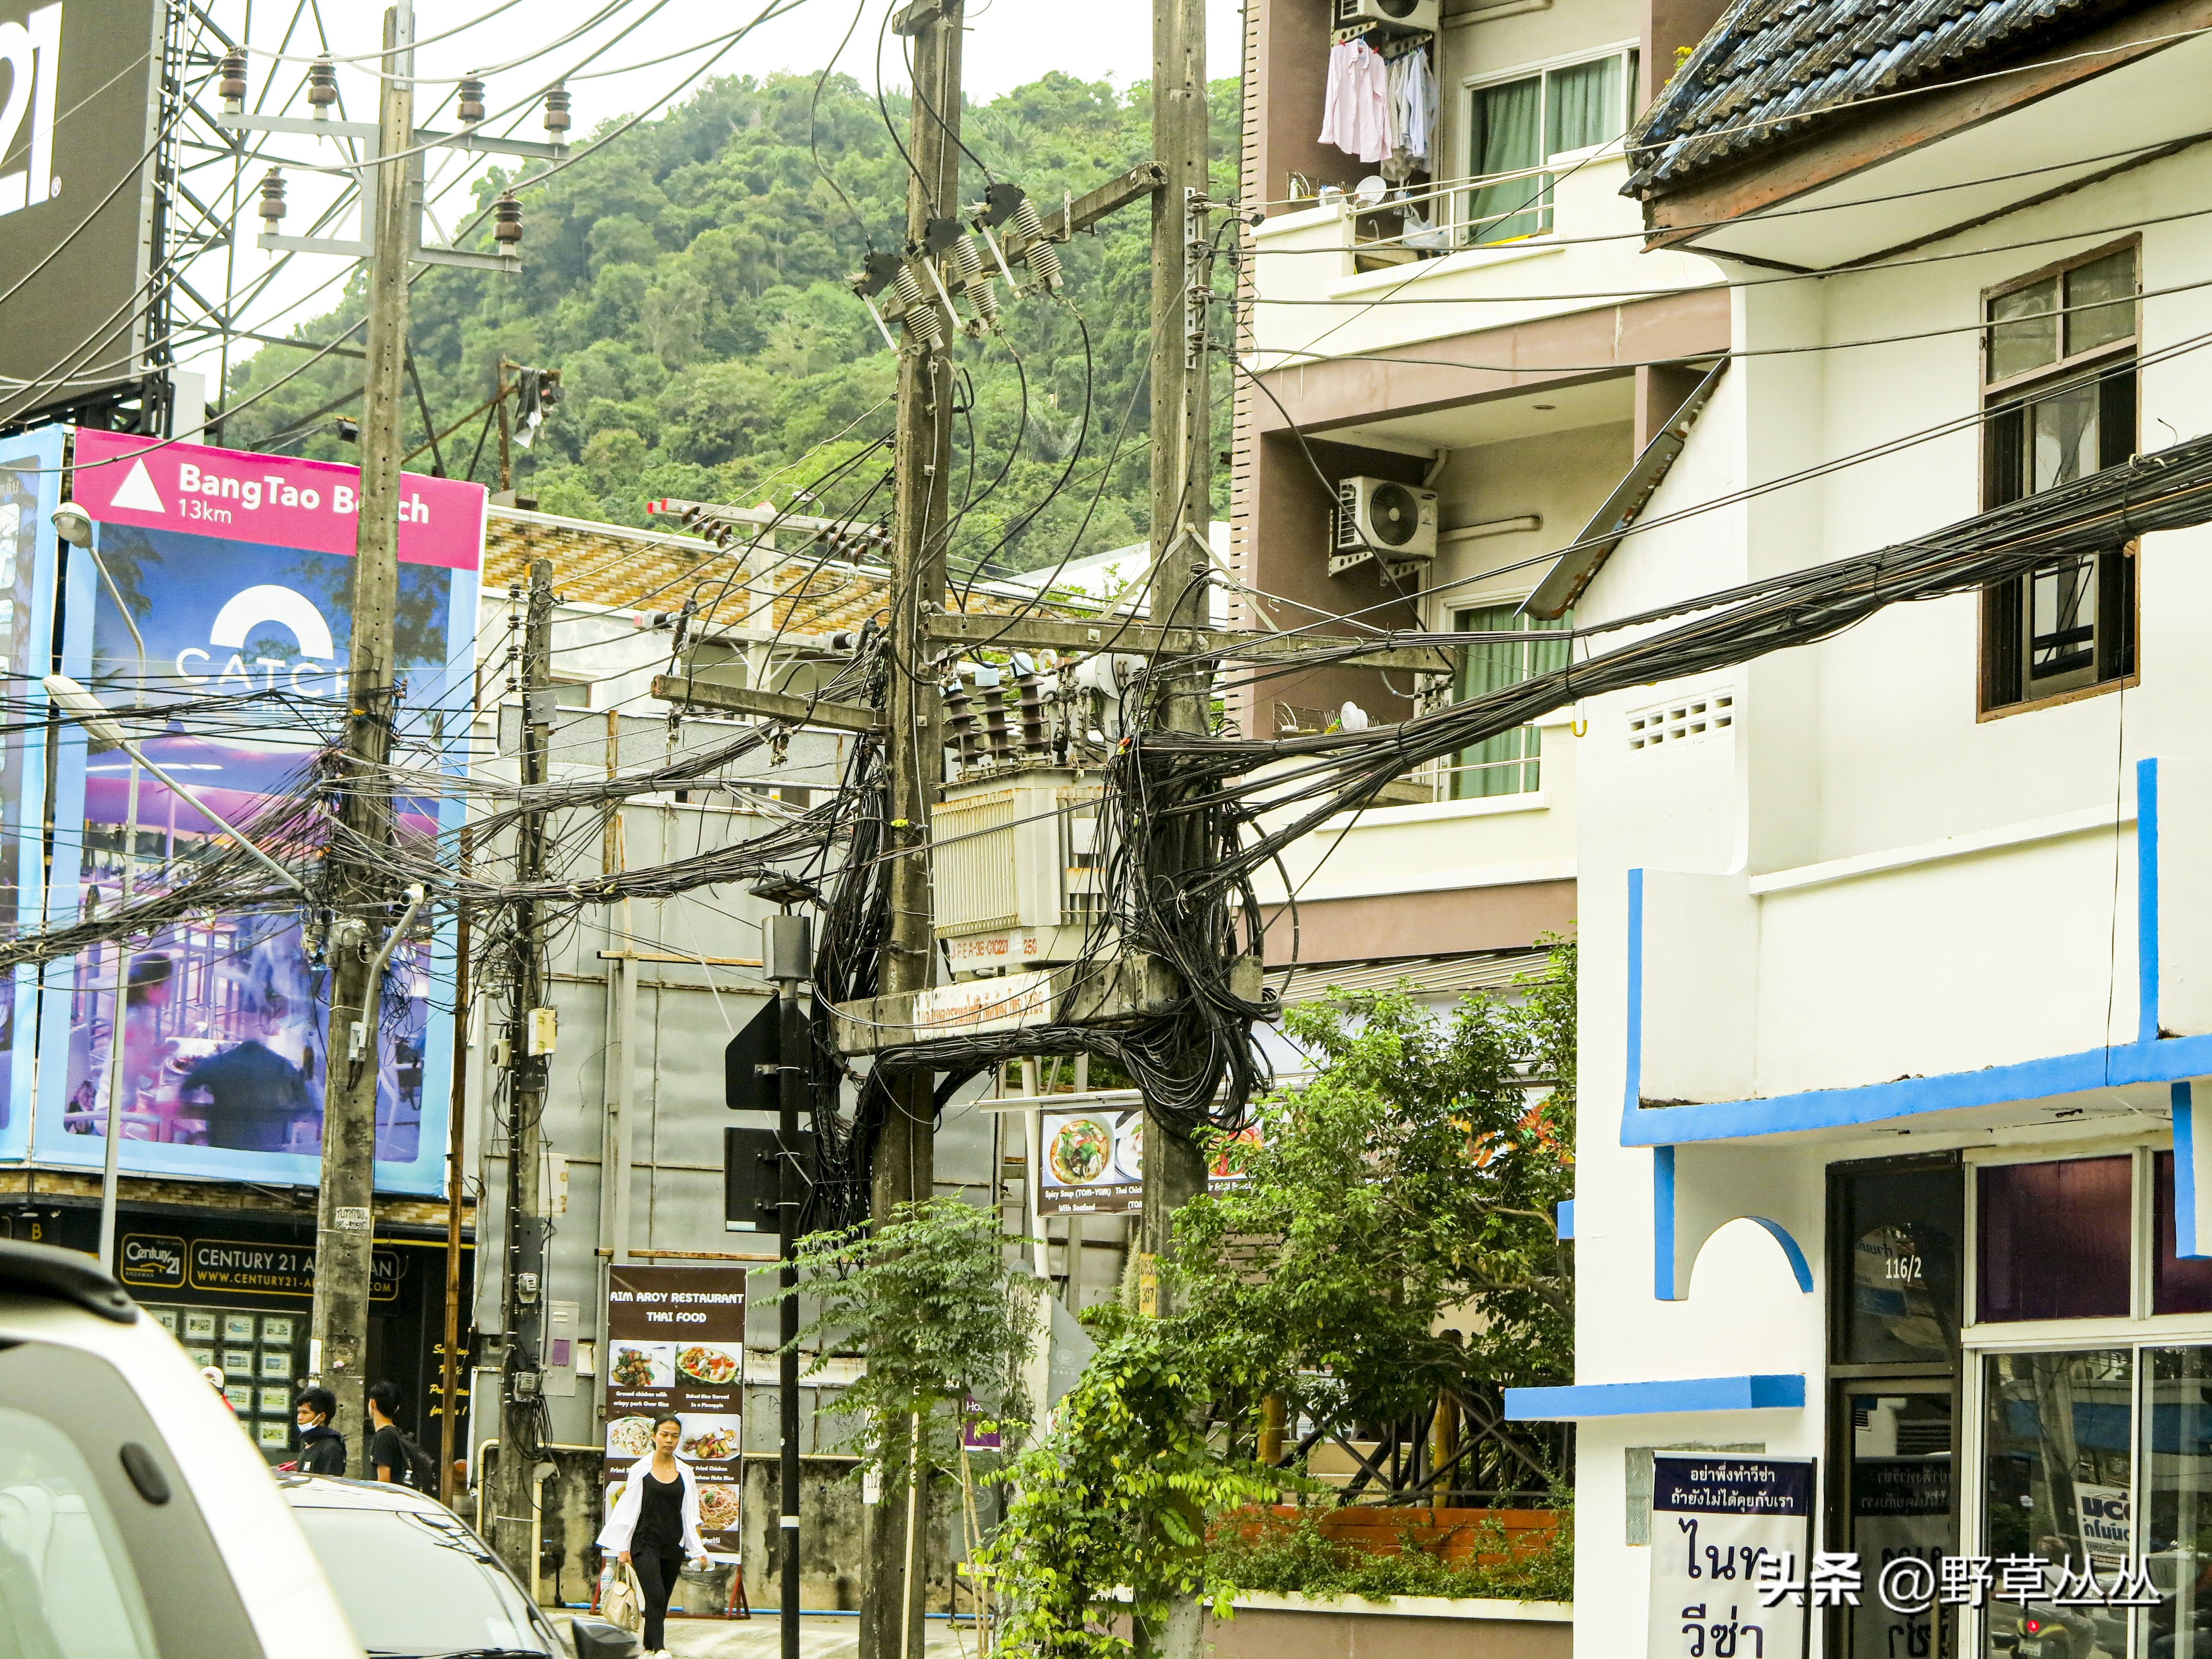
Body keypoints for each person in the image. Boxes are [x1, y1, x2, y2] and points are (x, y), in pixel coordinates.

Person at [596, 1416, 706, 1659]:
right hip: (644, 1543)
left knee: (662, 1599)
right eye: (664, 1434)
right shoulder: (641, 1469)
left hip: (673, 1543)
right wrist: (623, 1548)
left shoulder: (686, 1472)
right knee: (655, 1594)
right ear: (654, 1436)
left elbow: (691, 1514)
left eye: (675, 1436)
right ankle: (659, 1648)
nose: (669, 1440)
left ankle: (647, 1648)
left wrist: (698, 1550)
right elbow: (628, 1510)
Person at [365, 1381, 418, 1487]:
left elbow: (383, 1482)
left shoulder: (383, 1437)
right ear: (397, 1408)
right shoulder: (396, 1434)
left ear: (373, 1403)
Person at [293, 1388, 347, 1476]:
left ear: (322, 1417)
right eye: (299, 1412)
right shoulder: (309, 1443)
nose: (300, 1418)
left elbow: (330, 1482)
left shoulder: (331, 1448)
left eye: (305, 1413)